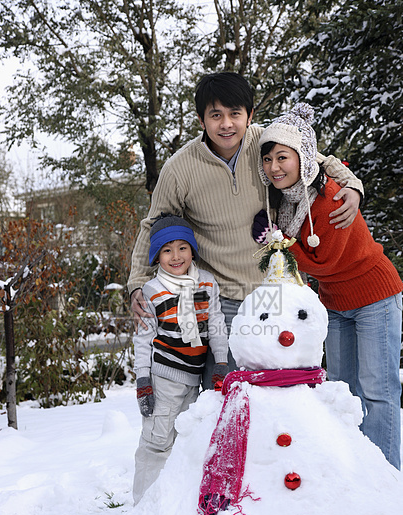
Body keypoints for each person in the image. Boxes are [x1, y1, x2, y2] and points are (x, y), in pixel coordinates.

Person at [128, 72, 364, 385]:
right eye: (216, 115)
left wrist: (352, 185)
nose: (226, 124)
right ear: (202, 120)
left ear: (249, 116)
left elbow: (314, 159)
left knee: (284, 386)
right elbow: (154, 224)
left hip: (275, 290)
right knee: (227, 389)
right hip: (222, 296)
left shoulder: (267, 142)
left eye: (235, 114)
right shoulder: (180, 168)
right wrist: (137, 283)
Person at [252, 102, 403, 469]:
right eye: (268, 159)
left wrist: (277, 243)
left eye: (283, 157)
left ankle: (384, 476)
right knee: (340, 389)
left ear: (302, 158)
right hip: (335, 302)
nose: (274, 167)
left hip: (374, 297)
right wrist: (275, 235)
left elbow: (325, 262)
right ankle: (350, 471)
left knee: (378, 392)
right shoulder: (283, 202)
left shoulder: (331, 195)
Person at [132, 214, 229, 504]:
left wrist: (221, 362)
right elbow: (143, 337)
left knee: (186, 439)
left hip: (194, 376)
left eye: (182, 247)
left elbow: (216, 323)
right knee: (157, 441)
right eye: (167, 249)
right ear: (156, 256)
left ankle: (174, 503)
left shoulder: (207, 283)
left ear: (192, 250)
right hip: (163, 377)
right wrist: (143, 379)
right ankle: (144, 505)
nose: (176, 256)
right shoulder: (151, 291)